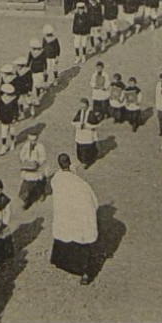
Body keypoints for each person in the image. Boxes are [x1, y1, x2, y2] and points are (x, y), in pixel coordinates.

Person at [49, 154, 100, 285]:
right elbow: (93, 202)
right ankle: (85, 272)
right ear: (70, 163)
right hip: (78, 219)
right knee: (80, 241)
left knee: (65, 236)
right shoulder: (80, 184)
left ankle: (62, 263)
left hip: (65, 217)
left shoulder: (56, 180)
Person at [17, 131, 49, 208]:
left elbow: (43, 158)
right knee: (26, 185)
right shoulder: (26, 146)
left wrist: (37, 162)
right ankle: (25, 200)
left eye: (34, 140)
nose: (32, 142)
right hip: (28, 168)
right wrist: (25, 160)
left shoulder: (40, 147)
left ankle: (41, 194)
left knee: (38, 183)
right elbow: (21, 154)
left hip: (37, 168)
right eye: (31, 140)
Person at [0, 69, 20, 156]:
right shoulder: (3, 99)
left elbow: (16, 109)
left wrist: (15, 117)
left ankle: (12, 142)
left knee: (12, 131)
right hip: (4, 118)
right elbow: (0, 109)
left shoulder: (13, 100)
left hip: (11, 118)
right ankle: (4, 145)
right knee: (4, 132)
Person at [72, 98, 100, 168]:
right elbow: (74, 121)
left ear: (87, 106)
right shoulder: (80, 112)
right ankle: (81, 159)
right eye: (82, 107)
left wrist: (87, 126)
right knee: (80, 147)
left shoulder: (91, 113)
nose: (83, 108)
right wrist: (79, 124)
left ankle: (88, 162)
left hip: (88, 134)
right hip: (80, 133)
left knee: (88, 149)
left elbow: (96, 124)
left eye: (84, 107)